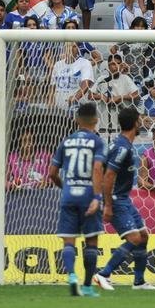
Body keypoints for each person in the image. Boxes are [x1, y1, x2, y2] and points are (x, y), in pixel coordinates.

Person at [92, 107, 155, 292]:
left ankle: (139, 282)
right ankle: (103, 274)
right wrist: (108, 205)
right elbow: (108, 176)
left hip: (124, 198)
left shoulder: (124, 144)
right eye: (139, 120)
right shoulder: (122, 147)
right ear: (134, 123)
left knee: (143, 236)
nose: (141, 123)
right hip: (116, 199)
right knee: (135, 238)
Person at [45, 103, 107, 297]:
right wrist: (97, 197)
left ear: (76, 120)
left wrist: (65, 187)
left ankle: (72, 276)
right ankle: (87, 286)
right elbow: (97, 169)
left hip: (69, 195)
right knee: (91, 243)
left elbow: (52, 173)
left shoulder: (66, 141)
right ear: (96, 120)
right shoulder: (97, 142)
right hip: (89, 195)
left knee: (69, 243)